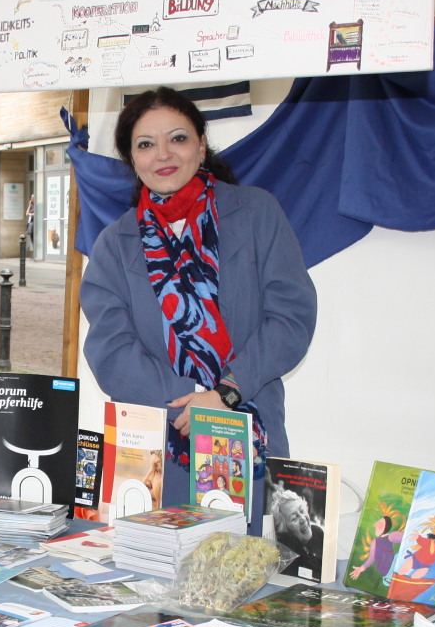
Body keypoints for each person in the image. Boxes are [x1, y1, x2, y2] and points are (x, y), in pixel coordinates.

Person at [79, 87, 316, 529]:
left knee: (246, 568)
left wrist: (225, 394)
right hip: (160, 446)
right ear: (132, 158)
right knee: (158, 574)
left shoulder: (258, 214)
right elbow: (111, 351)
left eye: (178, 139)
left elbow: (291, 319)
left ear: (201, 145)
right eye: (145, 144)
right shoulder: (114, 244)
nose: (163, 154)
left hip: (250, 433)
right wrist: (191, 406)